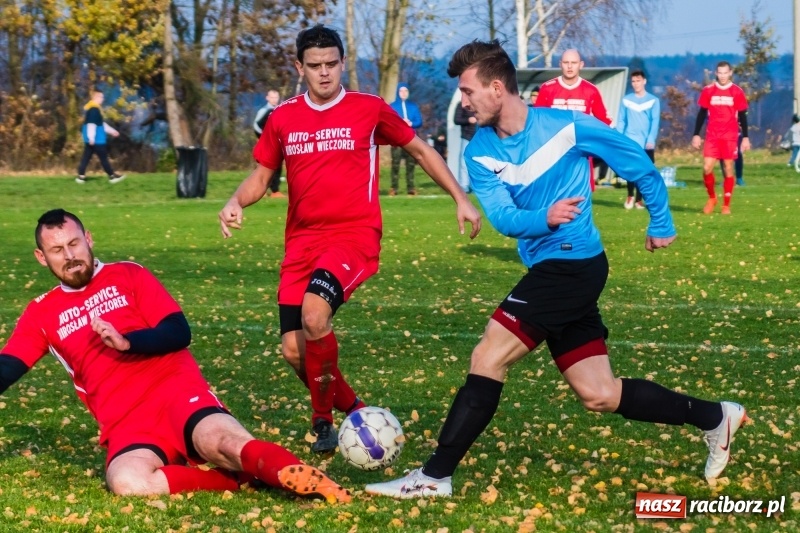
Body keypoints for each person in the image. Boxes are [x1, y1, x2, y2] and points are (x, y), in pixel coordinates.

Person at [366, 40, 747, 500]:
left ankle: (433, 476)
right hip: (555, 266)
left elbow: (635, 160)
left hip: (572, 264)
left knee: (488, 357)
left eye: (468, 92)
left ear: (496, 87)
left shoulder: (565, 125)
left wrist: (661, 220)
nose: (463, 103)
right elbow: (504, 219)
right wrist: (541, 217)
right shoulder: (479, 152)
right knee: (600, 393)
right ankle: (715, 416)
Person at [218, 25, 481, 455]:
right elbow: (262, 176)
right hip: (301, 243)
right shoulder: (283, 117)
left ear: (343, 63)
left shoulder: (369, 108)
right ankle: (357, 411)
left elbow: (420, 150)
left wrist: (460, 197)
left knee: (315, 316)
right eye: (315, 66)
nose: (325, 74)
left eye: (332, 64)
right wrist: (235, 201)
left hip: (353, 237)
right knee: (292, 349)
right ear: (300, 68)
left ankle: (322, 420)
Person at [0, 209, 350, 503]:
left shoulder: (128, 274)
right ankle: (234, 481)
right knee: (127, 482)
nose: (70, 255)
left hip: (177, 393)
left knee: (226, 444)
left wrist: (128, 342)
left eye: (74, 243)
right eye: (58, 250)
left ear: (89, 239)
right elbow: (8, 366)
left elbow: (179, 330)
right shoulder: (41, 313)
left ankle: (318, 485)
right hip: (126, 423)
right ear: (41, 257)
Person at [535, 49, 612, 189]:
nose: (570, 66)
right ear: (560, 64)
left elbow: (604, 122)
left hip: (580, 154)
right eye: (566, 62)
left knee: (580, 198)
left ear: (581, 65)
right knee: (553, 198)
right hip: (553, 155)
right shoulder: (547, 88)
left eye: (573, 63)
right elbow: (537, 122)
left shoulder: (591, 90)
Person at [691, 61, 750, 215]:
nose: (723, 76)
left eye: (725, 73)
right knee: (706, 168)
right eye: (720, 73)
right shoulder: (708, 90)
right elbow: (702, 113)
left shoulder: (737, 92)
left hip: (730, 136)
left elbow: (743, 116)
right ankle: (712, 198)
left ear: (730, 73)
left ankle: (726, 205)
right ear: (716, 73)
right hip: (712, 136)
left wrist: (745, 137)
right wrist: (696, 134)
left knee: (728, 168)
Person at [616, 70, 660, 209]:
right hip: (630, 140)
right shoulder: (626, 100)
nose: (636, 84)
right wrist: (619, 138)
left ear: (644, 81)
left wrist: (650, 139)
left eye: (638, 81)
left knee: (644, 171)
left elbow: (655, 121)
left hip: (646, 142)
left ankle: (639, 200)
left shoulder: (653, 101)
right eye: (633, 81)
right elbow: (621, 120)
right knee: (631, 170)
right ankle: (630, 195)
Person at [76, 91, 125, 185]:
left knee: (86, 157)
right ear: (96, 98)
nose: (103, 99)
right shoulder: (94, 110)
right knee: (103, 158)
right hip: (97, 140)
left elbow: (101, 124)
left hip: (92, 139)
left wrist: (112, 131)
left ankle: (80, 177)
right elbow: (91, 124)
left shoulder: (93, 109)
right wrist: (91, 138)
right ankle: (112, 176)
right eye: (101, 97)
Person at [389, 82, 424, 195]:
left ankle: (411, 188)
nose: (403, 93)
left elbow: (419, 121)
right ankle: (393, 188)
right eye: (401, 91)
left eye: (406, 91)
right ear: (398, 92)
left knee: (410, 165)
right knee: (395, 164)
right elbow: (389, 122)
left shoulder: (413, 106)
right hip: (397, 141)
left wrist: (411, 123)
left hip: (411, 140)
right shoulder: (392, 106)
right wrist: (400, 123)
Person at [253, 90, 285, 198]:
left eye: (276, 97)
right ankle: (265, 192)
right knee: (265, 166)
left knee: (277, 166)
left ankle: (274, 191)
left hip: (276, 143)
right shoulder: (264, 111)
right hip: (267, 143)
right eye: (272, 97)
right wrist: (263, 137)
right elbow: (256, 126)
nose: (274, 99)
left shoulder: (278, 109)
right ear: (267, 98)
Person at [453, 102, 477, 192]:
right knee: (464, 163)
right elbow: (456, 119)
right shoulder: (462, 105)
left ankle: (475, 186)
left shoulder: (482, 102)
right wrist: (468, 120)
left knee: (478, 163)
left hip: (480, 138)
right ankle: (464, 186)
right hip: (467, 137)